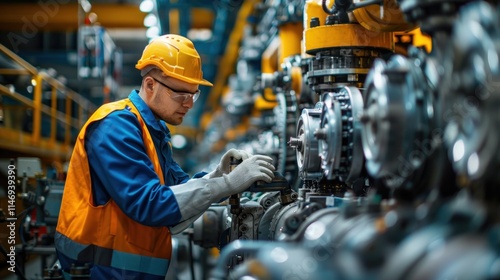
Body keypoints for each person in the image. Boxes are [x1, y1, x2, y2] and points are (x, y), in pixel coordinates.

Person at [55, 34, 275, 279]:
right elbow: (149, 204)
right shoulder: (115, 125)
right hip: (99, 273)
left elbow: (177, 191)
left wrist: (217, 174)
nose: (189, 104)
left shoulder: (153, 131)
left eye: (194, 94)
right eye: (182, 95)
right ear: (150, 85)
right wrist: (225, 185)